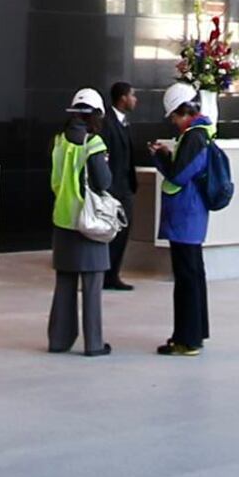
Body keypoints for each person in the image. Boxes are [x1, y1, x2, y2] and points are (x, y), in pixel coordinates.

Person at [154, 81, 231, 355]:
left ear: (182, 110)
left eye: (174, 116)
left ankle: (187, 340)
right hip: (192, 217)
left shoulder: (194, 136)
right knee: (193, 275)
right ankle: (196, 333)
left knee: (186, 279)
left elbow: (178, 174)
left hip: (185, 217)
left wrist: (161, 157)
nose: (173, 122)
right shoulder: (203, 133)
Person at [45, 88, 114, 356]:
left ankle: (59, 341)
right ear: (96, 115)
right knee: (92, 285)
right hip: (89, 221)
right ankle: (94, 344)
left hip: (62, 218)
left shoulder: (59, 141)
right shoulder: (93, 143)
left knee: (64, 282)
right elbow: (103, 181)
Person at [99, 79, 143, 291]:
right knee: (111, 233)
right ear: (123, 97)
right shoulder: (107, 122)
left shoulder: (124, 122)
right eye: (132, 95)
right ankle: (105, 275)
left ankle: (112, 274)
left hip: (125, 187)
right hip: (113, 187)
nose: (135, 99)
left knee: (123, 233)